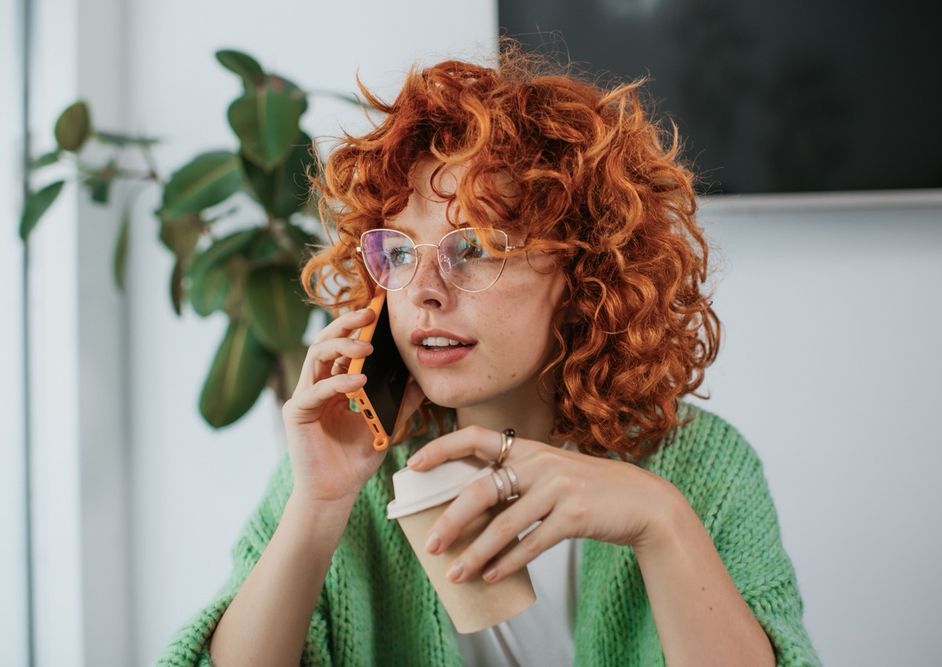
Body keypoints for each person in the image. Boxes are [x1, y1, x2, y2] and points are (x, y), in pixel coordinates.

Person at [158, 39, 820, 666]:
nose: (423, 292)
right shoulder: (349, 463)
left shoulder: (705, 471)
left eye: (472, 248)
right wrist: (317, 507)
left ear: (583, 272)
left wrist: (660, 520)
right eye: (400, 251)